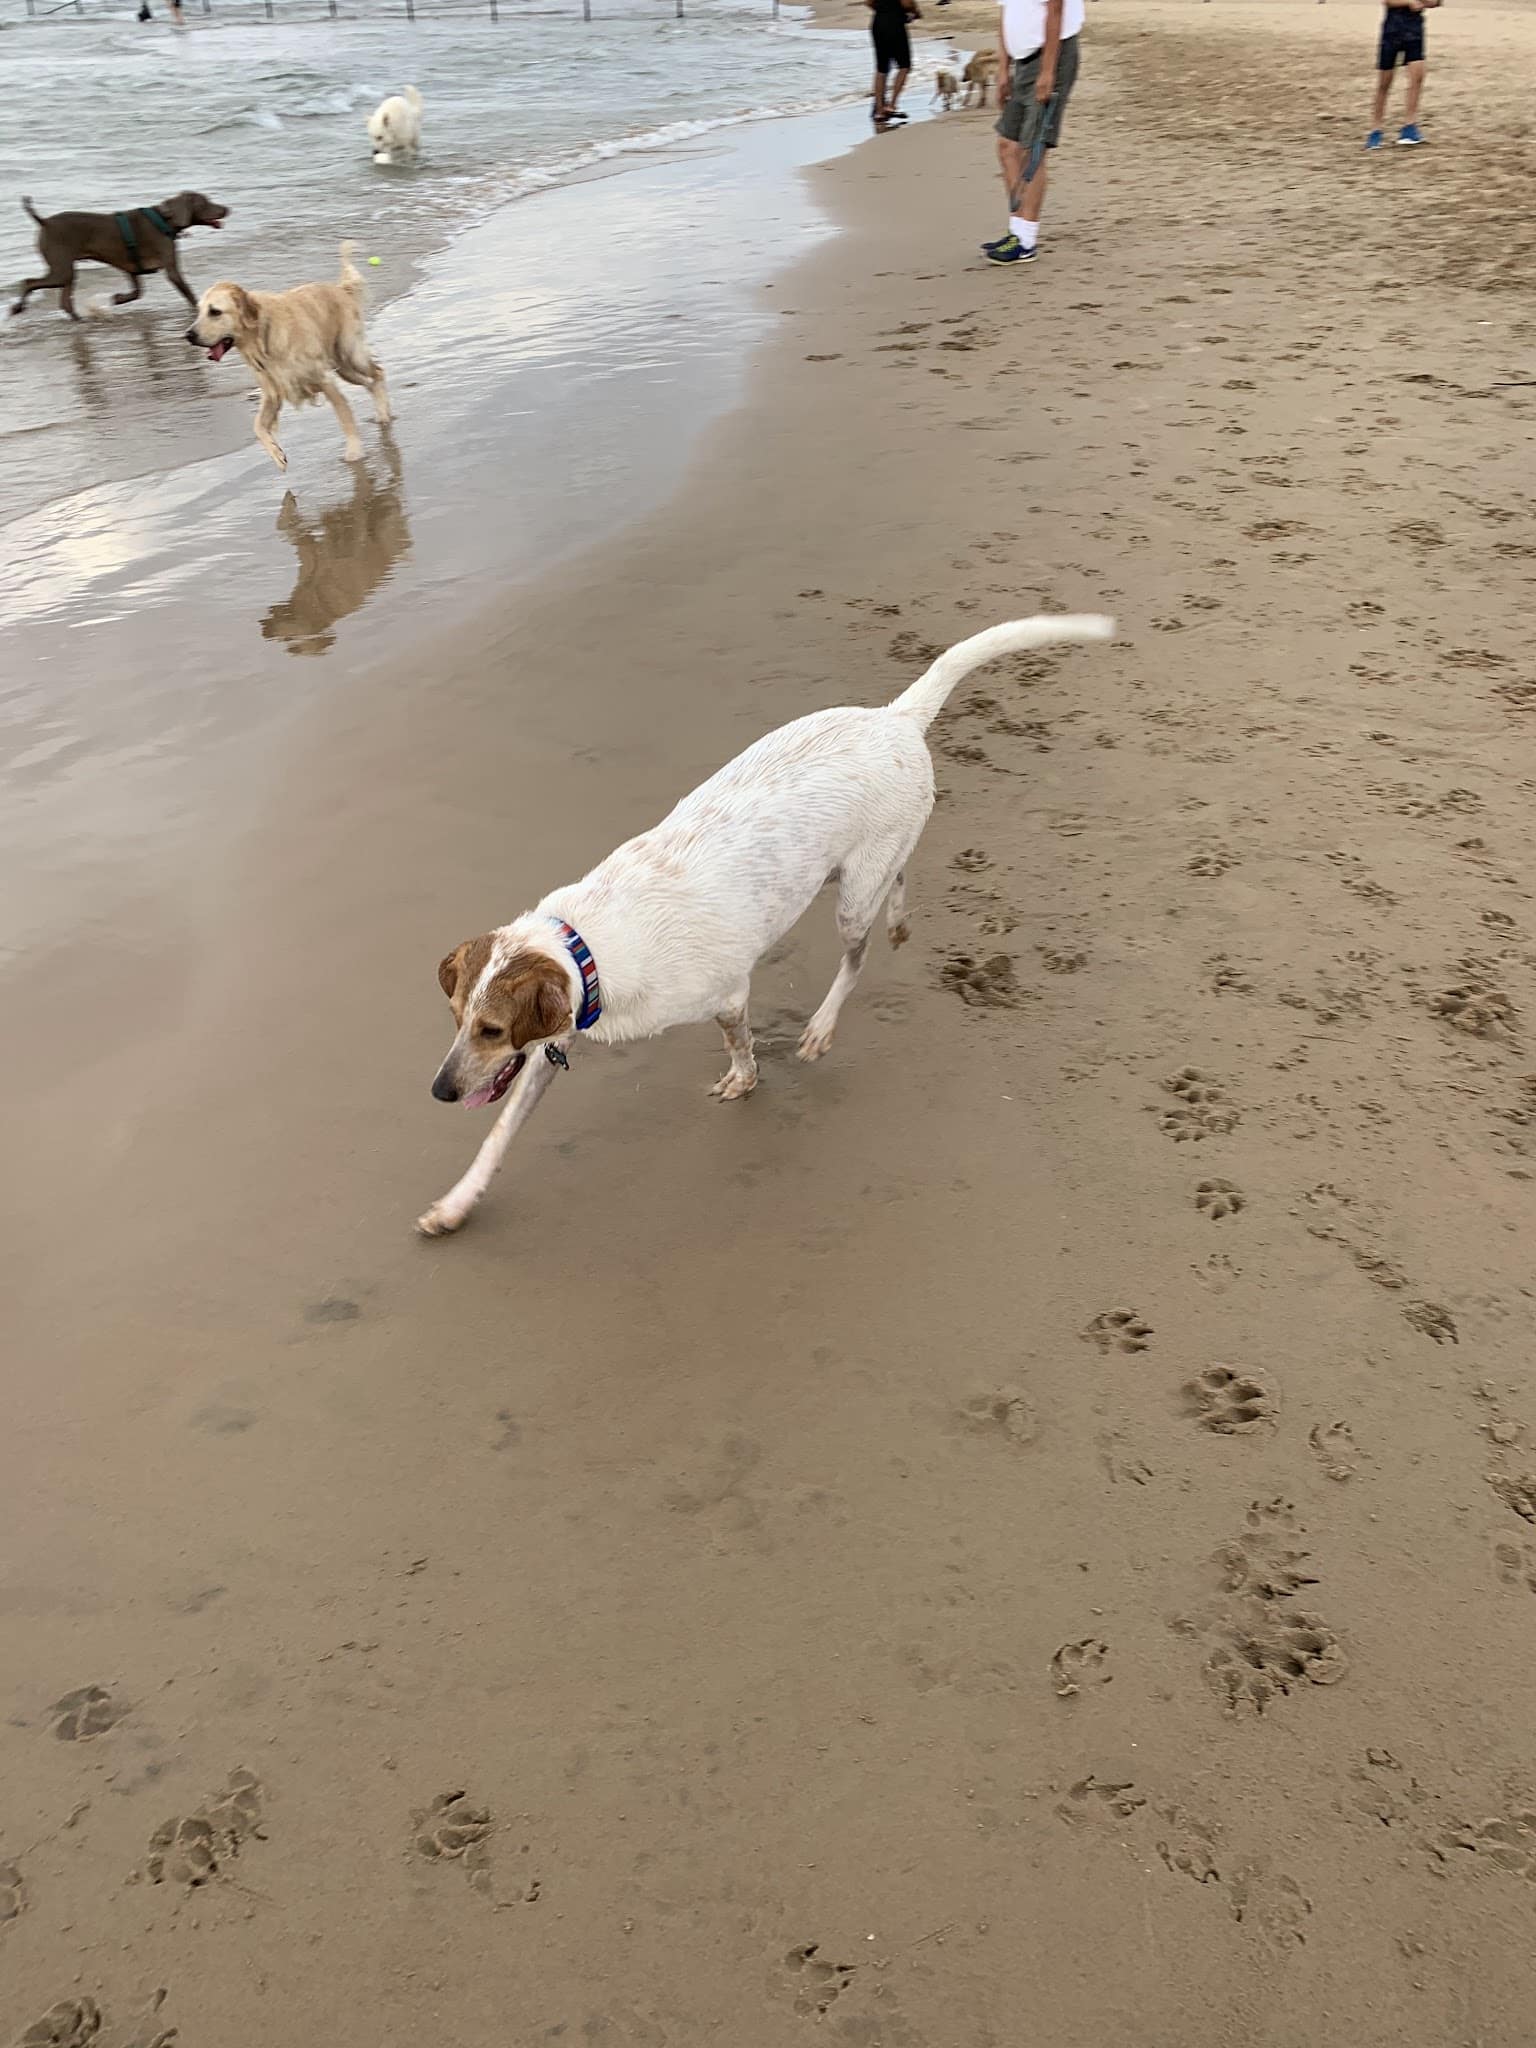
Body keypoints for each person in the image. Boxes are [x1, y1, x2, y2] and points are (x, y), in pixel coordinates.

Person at [981, 0, 1083, 265]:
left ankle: (1026, 240)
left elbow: (1055, 9)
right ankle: (1016, 230)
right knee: (1007, 145)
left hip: (1052, 57)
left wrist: (1048, 71)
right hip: (1023, 61)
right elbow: (1005, 13)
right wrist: (1004, 70)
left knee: (1033, 148)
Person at [1367, 0, 1439, 149]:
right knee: (1384, 83)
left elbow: (1434, 2)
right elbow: (1388, 1)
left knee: (1417, 77)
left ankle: (1409, 126)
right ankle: (1375, 130)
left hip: (1414, 30)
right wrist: (1409, 2)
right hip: (1392, 31)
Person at [866, 0, 920, 128]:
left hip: (878, 23)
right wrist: (915, 11)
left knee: (881, 69)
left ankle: (879, 111)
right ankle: (892, 105)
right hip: (895, 24)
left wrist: (882, 8)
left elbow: (868, 2)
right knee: (904, 66)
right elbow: (906, 3)